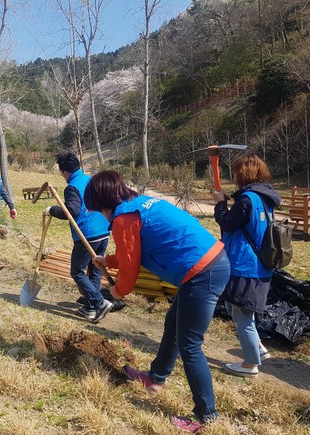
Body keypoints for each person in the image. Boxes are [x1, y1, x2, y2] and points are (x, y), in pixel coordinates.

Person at [85, 170, 230, 433]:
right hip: (210, 263)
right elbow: (134, 252)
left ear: (102, 203)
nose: (101, 216)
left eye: (97, 210)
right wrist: (110, 261)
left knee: (190, 345)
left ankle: (206, 416)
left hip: (202, 272)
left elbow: (130, 272)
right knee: (173, 326)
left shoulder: (123, 219)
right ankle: (155, 379)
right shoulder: (139, 204)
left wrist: (117, 292)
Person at [213, 152, 280, 378]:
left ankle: (250, 365)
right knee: (234, 307)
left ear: (243, 173)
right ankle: (258, 347)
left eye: (235, 173)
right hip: (260, 265)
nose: (233, 177)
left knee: (243, 316)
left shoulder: (247, 200)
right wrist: (227, 202)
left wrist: (220, 204)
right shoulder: (263, 197)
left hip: (246, 266)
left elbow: (228, 224)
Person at [44, 152, 112, 323]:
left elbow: (71, 211)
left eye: (61, 172)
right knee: (95, 270)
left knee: (77, 271)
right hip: (103, 230)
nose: (62, 176)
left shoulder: (72, 187)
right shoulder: (92, 180)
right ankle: (91, 308)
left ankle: (99, 302)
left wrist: (51, 210)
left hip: (87, 235)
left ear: (65, 172)